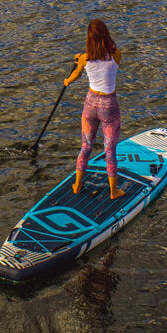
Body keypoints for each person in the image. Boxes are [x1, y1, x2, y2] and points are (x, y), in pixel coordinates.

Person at [63, 19, 125, 200]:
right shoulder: (116, 55)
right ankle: (114, 191)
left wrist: (67, 81)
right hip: (109, 106)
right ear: (106, 35)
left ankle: (77, 184)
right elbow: (105, 56)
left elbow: (75, 74)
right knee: (109, 149)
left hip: (90, 104)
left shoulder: (84, 58)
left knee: (86, 146)